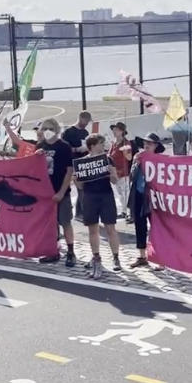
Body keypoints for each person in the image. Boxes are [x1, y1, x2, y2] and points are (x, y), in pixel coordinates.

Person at [79, 135, 122, 277]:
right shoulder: (83, 162)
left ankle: (116, 257)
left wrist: (112, 174)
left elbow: (115, 181)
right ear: (92, 146)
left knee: (110, 227)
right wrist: (75, 179)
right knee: (93, 229)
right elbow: (80, 185)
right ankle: (96, 256)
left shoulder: (108, 159)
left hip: (106, 196)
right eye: (100, 143)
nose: (103, 145)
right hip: (90, 197)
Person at [37, 118, 77, 267]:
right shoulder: (41, 146)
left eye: (50, 128)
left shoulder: (64, 147)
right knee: (50, 224)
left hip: (61, 191)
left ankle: (71, 251)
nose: (46, 131)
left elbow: (69, 171)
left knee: (65, 221)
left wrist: (61, 192)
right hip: (46, 193)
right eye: (44, 128)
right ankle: (53, 250)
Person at [128, 134, 163, 270]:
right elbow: (131, 177)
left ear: (155, 146)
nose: (146, 145)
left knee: (156, 227)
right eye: (145, 143)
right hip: (139, 195)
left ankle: (160, 258)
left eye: (150, 143)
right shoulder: (139, 157)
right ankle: (142, 256)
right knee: (140, 225)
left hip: (154, 197)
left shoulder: (160, 160)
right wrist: (135, 163)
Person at [62, 111, 92, 220]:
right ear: (80, 118)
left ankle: (80, 213)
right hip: (71, 163)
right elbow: (63, 148)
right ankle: (77, 212)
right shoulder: (68, 132)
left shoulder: (85, 132)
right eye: (86, 121)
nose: (87, 123)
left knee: (82, 188)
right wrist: (76, 149)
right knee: (69, 187)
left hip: (82, 162)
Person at [108, 123, 134, 219]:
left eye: (116, 130)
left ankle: (128, 212)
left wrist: (125, 153)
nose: (114, 132)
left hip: (123, 172)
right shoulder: (113, 142)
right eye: (114, 130)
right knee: (120, 193)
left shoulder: (126, 143)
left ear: (122, 132)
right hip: (115, 172)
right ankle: (124, 211)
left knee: (125, 193)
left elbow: (129, 157)